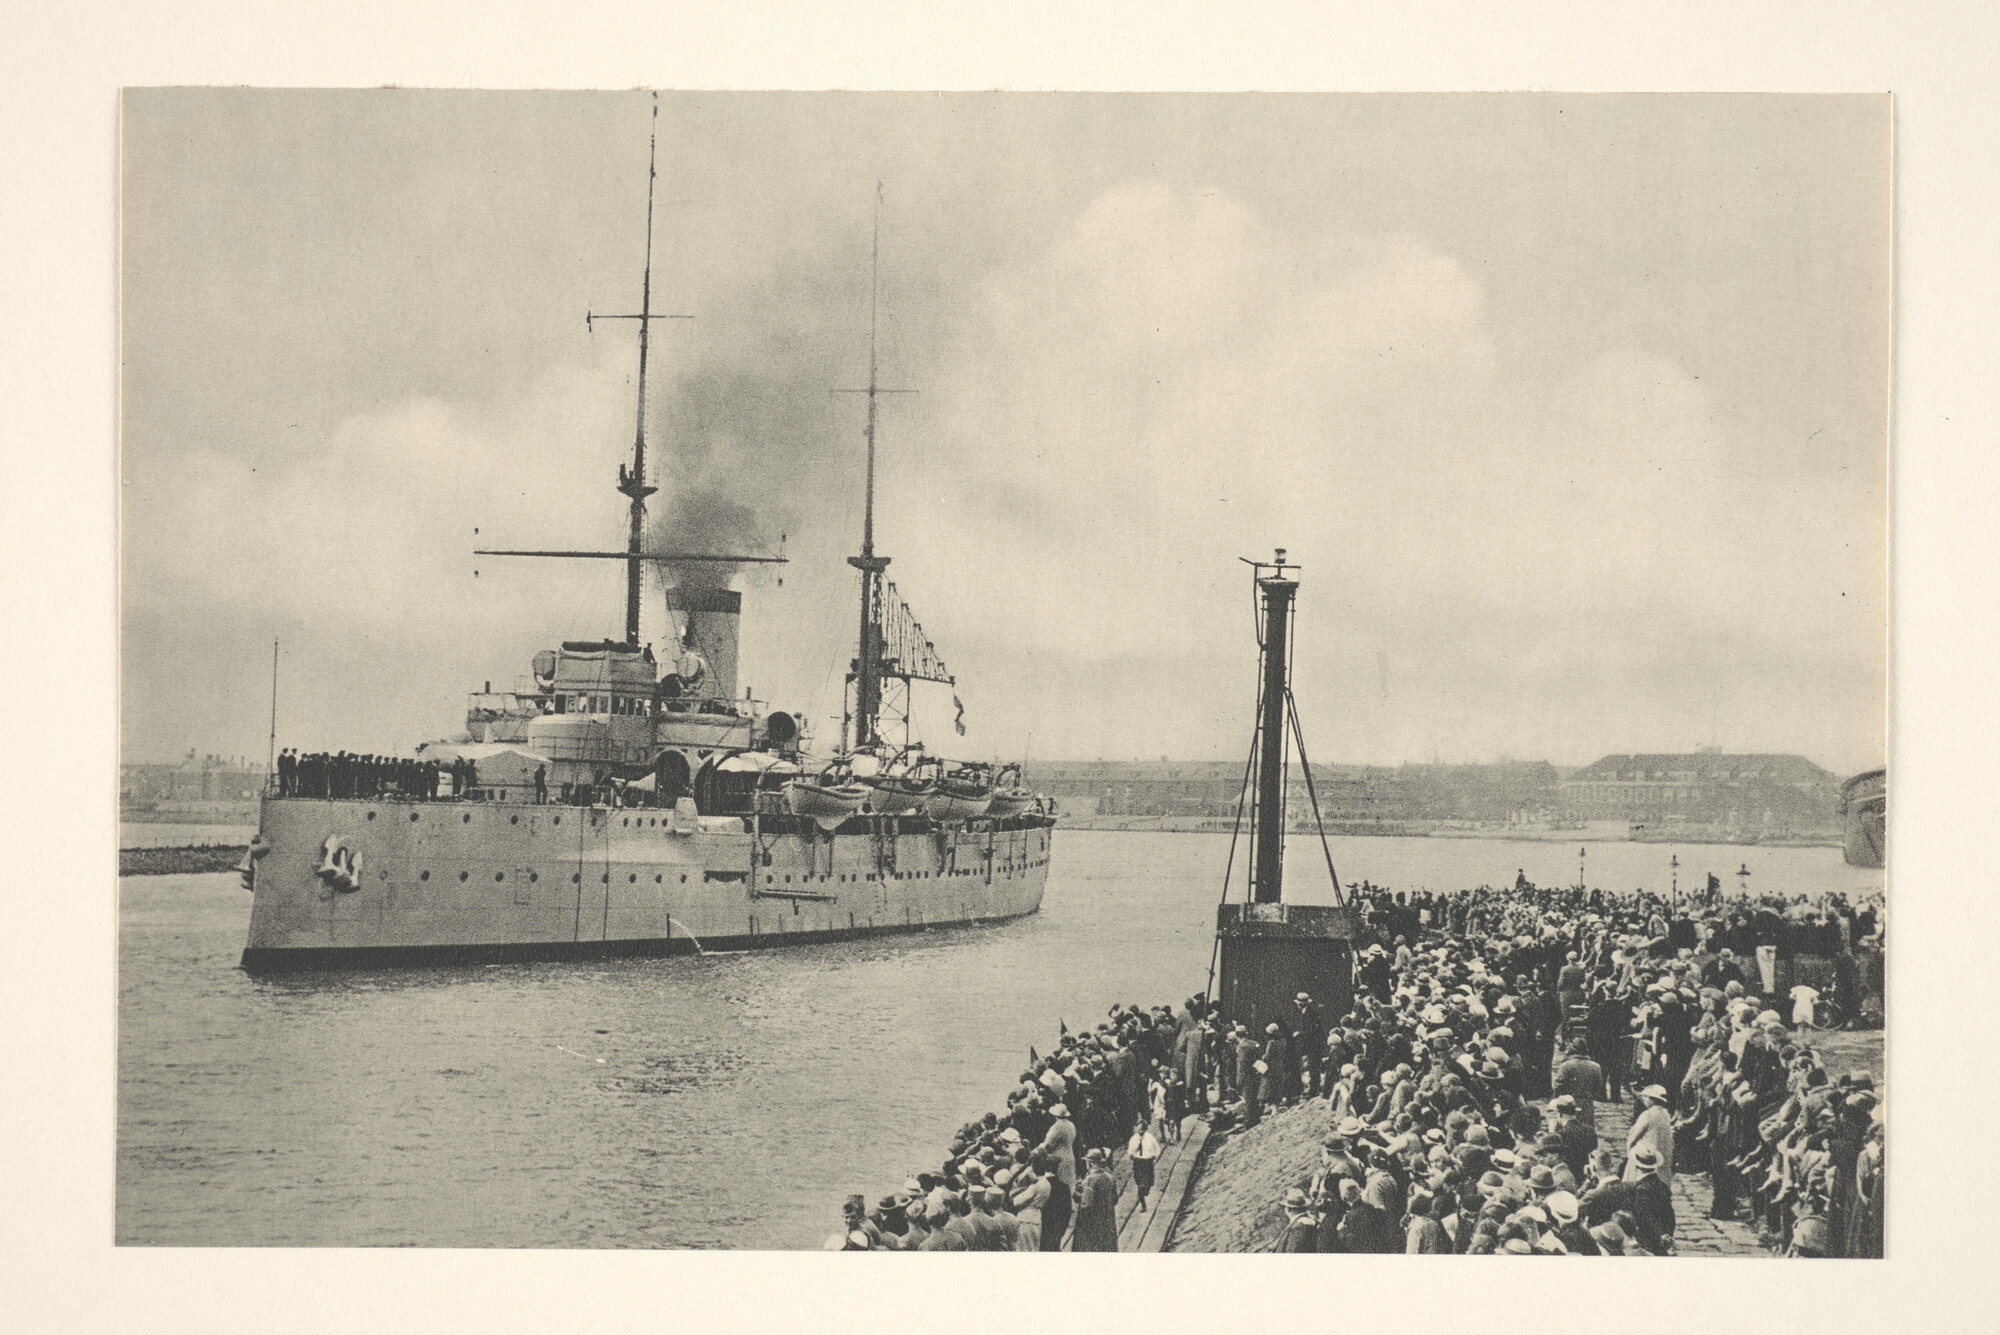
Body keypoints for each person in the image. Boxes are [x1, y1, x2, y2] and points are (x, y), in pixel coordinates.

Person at [1071, 1148, 1120, 1251]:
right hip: (1108, 1224)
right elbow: (1115, 1199)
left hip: (1093, 1226)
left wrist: (1077, 1194)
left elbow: (1086, 1205)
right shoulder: (1110, 1177)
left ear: (1091, 1163)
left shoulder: (1090, 1179)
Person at [1127, 1119, 1160, 1211]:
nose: (1140, 1131)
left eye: (1142, 1129)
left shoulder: (1150, 1138)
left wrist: (1154, 1156)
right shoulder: (1134, 1139)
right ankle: (1143, 1204)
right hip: (1138, 1162)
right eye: (1138, 1129)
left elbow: (1157, 1149)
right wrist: (1131, 1154)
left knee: (1148, 1182)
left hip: (1147, 1162)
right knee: (1139, 1183)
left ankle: (1145, 1189)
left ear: (1145, 1129)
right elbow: (1130, 1149)